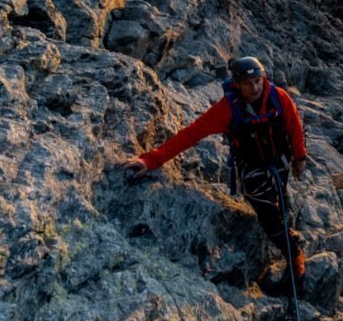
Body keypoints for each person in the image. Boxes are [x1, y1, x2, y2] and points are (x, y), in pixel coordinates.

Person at [117, 57, 310, 287]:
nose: (255, 87)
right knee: (267, 211)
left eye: (258, 81)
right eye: (248, 83)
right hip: (252, 167)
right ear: (237, 84)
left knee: (279, 197)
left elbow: (294, 125)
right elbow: (191, 134)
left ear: (264, 78)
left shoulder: (279, 98)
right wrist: (151, 160)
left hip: (281, 161)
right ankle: (294, 254)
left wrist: (299, 157)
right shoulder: (228, 109)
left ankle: (284, 226)